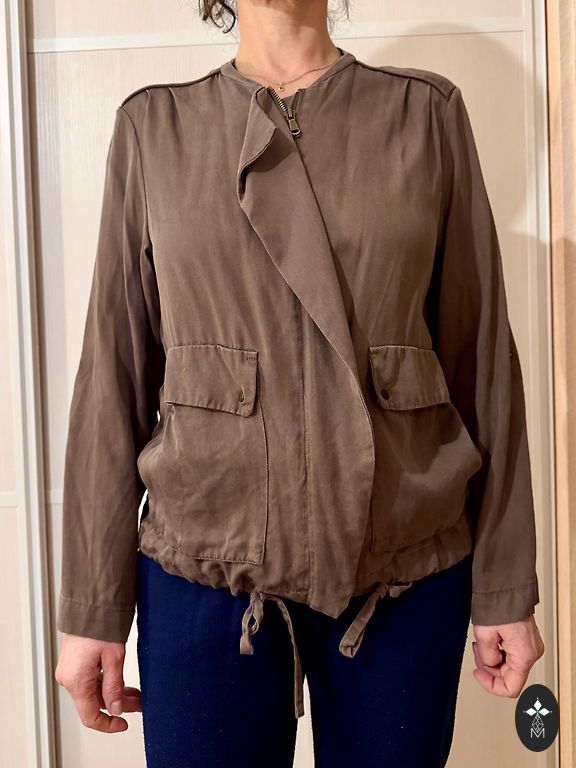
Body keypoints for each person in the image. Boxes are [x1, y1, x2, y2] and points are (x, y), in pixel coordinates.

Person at [54, 1, 545, 766]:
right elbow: (114, 372)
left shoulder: (424, 113)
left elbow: (481, 361)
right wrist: (93, 606)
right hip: (207, 571)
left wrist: (506, 585)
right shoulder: (156, 127)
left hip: (403, 570)